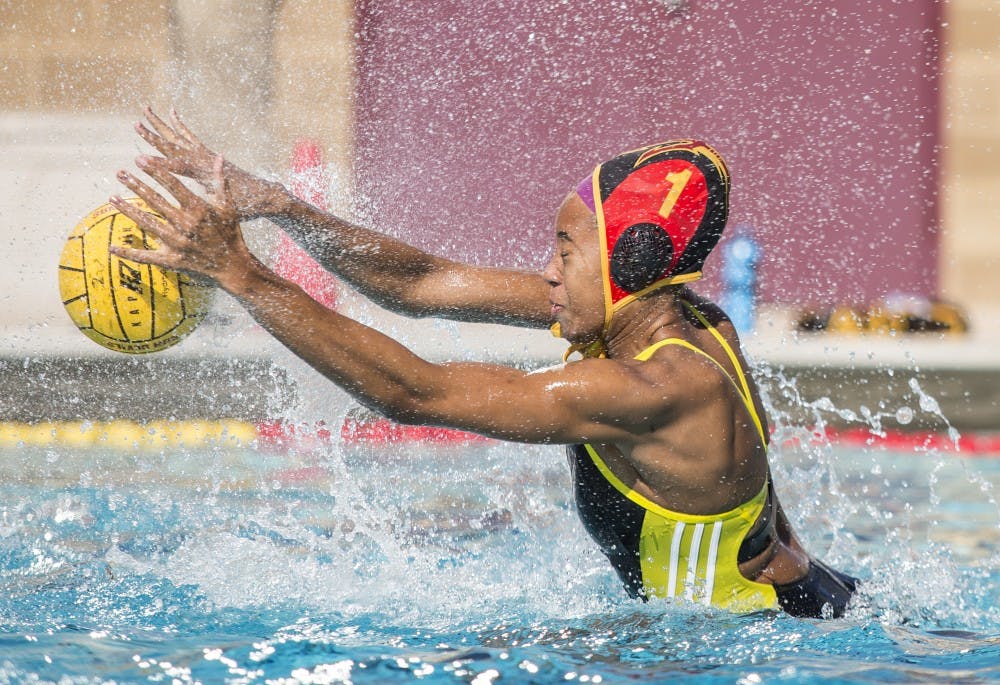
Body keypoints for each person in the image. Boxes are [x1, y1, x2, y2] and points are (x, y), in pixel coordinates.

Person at [110, 108, 858, 618]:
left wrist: (242, 274)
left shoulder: (650, 386)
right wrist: (281, 207)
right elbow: (421, 282)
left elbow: (415, 393)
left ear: (629, 262)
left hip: (745, 644)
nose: (549, 271)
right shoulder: (682, 321)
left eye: (565, 249)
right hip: (796, 605)